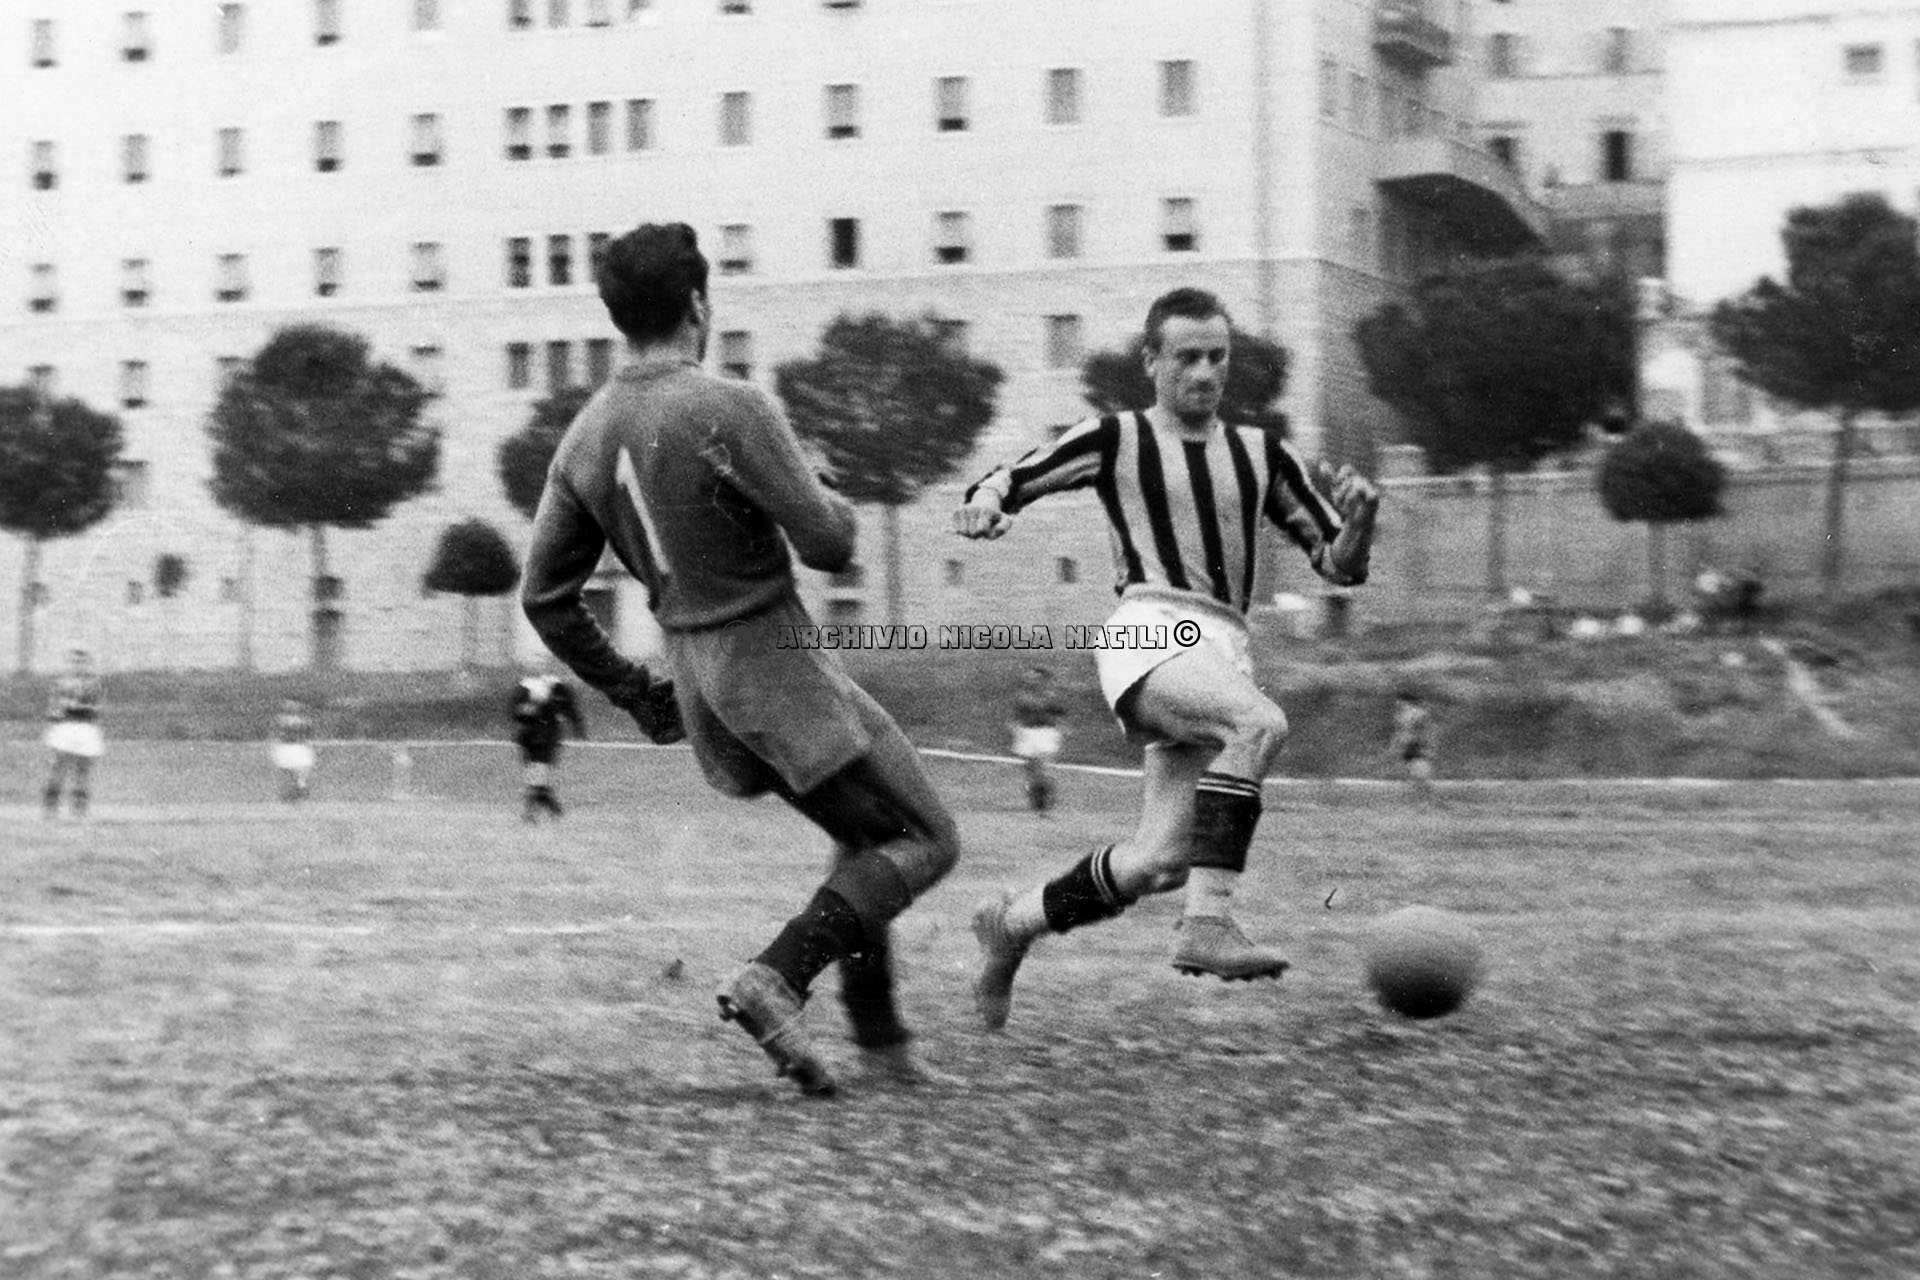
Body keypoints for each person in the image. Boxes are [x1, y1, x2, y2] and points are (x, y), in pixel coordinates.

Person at [521, 222, 962, 1096]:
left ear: (616, 317)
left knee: (864, 840)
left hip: (700, 685)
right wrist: (818, 489)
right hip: (774, 665)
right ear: (698, 304)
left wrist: (636, 692)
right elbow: (831, 544)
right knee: (928, 839)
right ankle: (776, 978)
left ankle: (883, 1048)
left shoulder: (584, 436)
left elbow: (545, 598)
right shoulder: (729, 406)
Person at [953, 286, 1379, 1030]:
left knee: (1159, 862)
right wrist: (987, 503)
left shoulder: (1262, 454)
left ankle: (1010, 925)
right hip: (1149, 628)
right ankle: (1208, 922)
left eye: (1217, 356)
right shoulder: (1117, 437)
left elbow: (1339, 565)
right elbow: (1014, 476)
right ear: (1151, 362)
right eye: (1187, 357)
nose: (1205, 371)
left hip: (1222, 646)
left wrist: (1362, 520)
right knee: (1257, 724)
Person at [512, 672, 586, 820]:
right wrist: (578, 728)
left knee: (536, 776)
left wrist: (577, 727)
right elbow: (570, 711)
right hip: (539, 737)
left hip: (537, 737)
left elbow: (517, 714)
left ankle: (535, 812)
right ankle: (551, 809)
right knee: (536, 776)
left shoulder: (527, 687)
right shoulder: (550, 689)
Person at [43, 646, 104, 821]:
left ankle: (79, 810)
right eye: (74, 662)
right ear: (69, 663)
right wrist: (55, 718)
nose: (78, 665)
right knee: (58, 767)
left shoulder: (93, 684)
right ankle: (51, 808)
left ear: (88, 664)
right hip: (65, 726)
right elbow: (53, 707)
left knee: (83, 769)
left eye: (82, 662)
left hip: (85, 727)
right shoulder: (60, 683)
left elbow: (96, 707)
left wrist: (78, 707)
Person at [1010, 665, 1067, 812]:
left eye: (1035, 677)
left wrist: (1059, 733)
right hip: (1026, 733)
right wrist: (1015, 729)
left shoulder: (1051, 696)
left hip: (1045, 733)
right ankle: (1036, 797)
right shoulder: (1022, 696)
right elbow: (1018, 715)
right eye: (1030, 676)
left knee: (1043, 767)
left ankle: (1046, 795)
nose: (1031, 679)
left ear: (1044, 679)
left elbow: (1059, 715)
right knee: (1031, 770)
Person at [271, 698, 317, 802]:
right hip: (290, 749)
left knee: (296, 773)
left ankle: (297, 790)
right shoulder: (290, 720)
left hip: (295, 749)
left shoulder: (285, 720)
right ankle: (297, 790)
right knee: (294, 773)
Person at [1388, 690, 1434, 793]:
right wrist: (1397, 744)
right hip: (1409, 744)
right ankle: (1416, 786)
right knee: (1409, 768)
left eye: (1400, 702)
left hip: (1415, 744)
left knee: (1417, 767)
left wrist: (1416, 740)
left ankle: (1420, 786)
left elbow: (1422, 730)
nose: (1398, 705)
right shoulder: (1401, 715)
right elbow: (1399, 731)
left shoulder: (1417, 714)